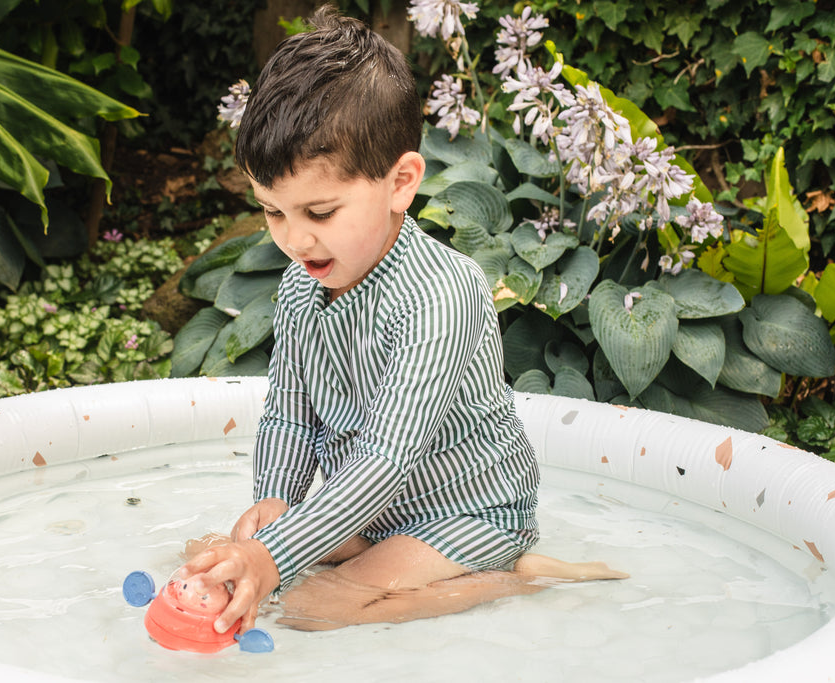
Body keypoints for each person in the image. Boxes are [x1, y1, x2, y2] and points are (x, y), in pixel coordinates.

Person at [182, 5, 625, 635]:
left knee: (311, 607)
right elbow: (288, 412)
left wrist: (273, 555)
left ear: (401, 182)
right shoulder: (299, 288)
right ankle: (363, 553)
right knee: (213, 552)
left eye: (320, 211)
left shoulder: (441, 294)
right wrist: (275, 502)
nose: (295, 240)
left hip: (465, 511)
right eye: (273, 212)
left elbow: (389, 456)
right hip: (375, 512)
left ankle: (512, 577)